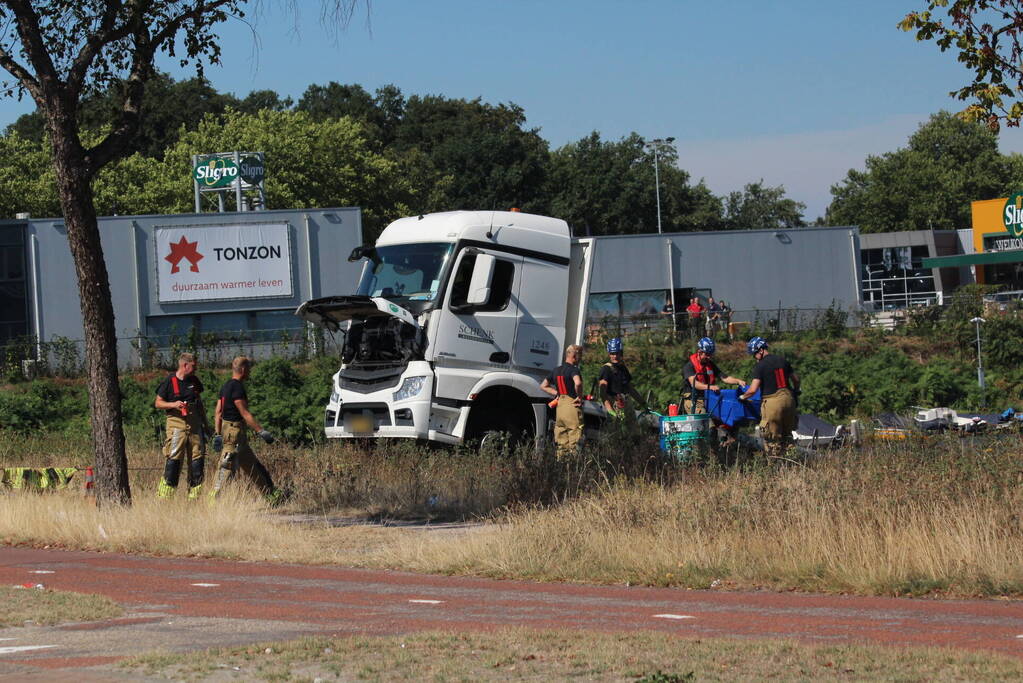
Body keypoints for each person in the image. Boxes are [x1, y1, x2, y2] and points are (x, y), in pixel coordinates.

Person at [212, 356, 278, 500]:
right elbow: (245, 413)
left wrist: (218, 434)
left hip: (234, 435)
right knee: (225, 469)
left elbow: (218, 412)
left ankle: (272, 497)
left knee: (254, 468)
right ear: (242, 369)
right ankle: (212, 501)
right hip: (234, 435)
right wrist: (261, 431)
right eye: (249, 368)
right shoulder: (237, 387)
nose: (250, 371)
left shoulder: (225, 386)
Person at [154, 352, 210, 499]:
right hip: (176, 424)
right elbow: (158, 403)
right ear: (185, 365)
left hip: (194, 425)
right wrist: (173, 404)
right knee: (173, 461)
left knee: (197, 462)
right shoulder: (169, 381)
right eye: (193, 366)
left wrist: (206, 425)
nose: (196, 369)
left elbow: (199, 404)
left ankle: (194, 499)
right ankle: (165, 498)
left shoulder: (194, 381)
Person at [739, 337, 800, 460]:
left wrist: (742, 397)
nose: (755, 357)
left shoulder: (760, 366)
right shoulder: (782, 360)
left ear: (761, 350)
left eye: (755, 354)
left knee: (772, 439)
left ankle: (774, 466)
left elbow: (753, 390)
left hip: (773, 404)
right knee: (788, 436)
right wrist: (796, 391)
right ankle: (792, 463)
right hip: (789, 400)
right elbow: (796, 380)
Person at [540, 344, 584, 458]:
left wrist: (557, 393)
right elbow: (578, 383)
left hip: (560, 408)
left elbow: (543, 385)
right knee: (574, 438)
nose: (580, 358)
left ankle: (561, 464)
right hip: (572, 405)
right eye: (580, 356)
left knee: (561, 441)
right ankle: (573, 465)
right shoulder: (574, 370)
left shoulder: (556, 370)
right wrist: (579, 397)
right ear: (574, 356)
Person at [682, 337, 745, 415]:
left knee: (724, 415)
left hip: (709, 399)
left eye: (711, 354)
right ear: (700, 352)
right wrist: (711, 387)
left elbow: (725, 378)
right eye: (707, 354)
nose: (709, 357)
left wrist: (738, 381)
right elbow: (694, 384)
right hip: (693, 400)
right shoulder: (689, 366)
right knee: (704, 418)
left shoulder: (710, 364)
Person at [599, 337, 646, 417]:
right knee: (616, 425)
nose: (615, 356)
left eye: (617, 353)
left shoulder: (622, 368)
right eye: (612, 353)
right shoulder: (606, 369)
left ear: (621, 353)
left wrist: (643, 403)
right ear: (609, 354)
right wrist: (610, 410)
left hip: (625, 405)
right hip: (614, 406)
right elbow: (602, 393)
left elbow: (630, 389)